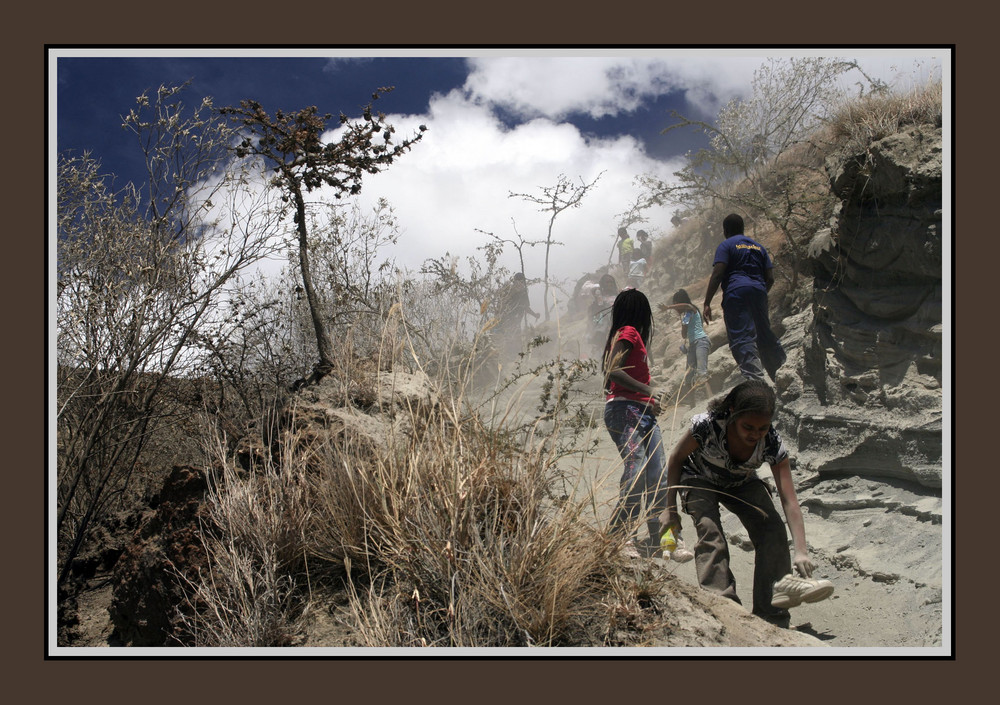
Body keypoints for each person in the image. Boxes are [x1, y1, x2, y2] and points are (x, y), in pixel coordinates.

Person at [658, 379, 834, 628]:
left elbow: (789, 499)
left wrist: (801, 550)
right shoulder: (707, 425)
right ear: (732, 414)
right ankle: (723, 610)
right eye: (748, 427)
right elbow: (676, 458)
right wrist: (670, 509)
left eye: (762, 428)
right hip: (698, 477)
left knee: (772, 528)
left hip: (740, 481)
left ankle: (771, 616)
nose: (755, 434)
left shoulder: (772, 442)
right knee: (711, 532)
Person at [602, 288, 675, 559]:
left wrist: (649, 398)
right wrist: (649, 392)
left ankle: (661, 539)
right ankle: (621, 537)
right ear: (640, 311)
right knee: (638, 470)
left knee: (657, 473)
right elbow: (613, 371)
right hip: (625, 410)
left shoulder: (630, 336)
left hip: (641, 411)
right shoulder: (629, 332)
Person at [702, 213, 786, 382]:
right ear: (742, 228)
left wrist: (707, 302)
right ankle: (783, 376)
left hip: (736, 293)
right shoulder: (759, 247)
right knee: (765, 335)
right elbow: (770, 278)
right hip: (759, 291)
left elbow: (718, 273)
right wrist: (760, 293)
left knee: (742, 338)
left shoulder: (726, 245)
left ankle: (756, 382)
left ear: (725, 230)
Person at [661, 289, 712, 398]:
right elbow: (684, 335)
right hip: (692, 345)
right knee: (689, 376)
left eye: (676, 304)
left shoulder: (692, 309)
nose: (676, 307)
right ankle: (692, 404)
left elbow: (687, 305)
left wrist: (668, 307)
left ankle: (710, 399)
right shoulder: (686, 316)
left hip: (701, 341)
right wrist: (683, 324)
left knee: (702, 373)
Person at [496, 272, 540, 356]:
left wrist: (534, 315)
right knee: (512, 338)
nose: (519, 284)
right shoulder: (515, 291)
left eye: (520, 282)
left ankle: (514, 357)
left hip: (511, 320)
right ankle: (512, 357)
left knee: (512, 338)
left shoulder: (517, 291)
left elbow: (525, 306)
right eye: (519, 282)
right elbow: (525, 307)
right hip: (511, 320)